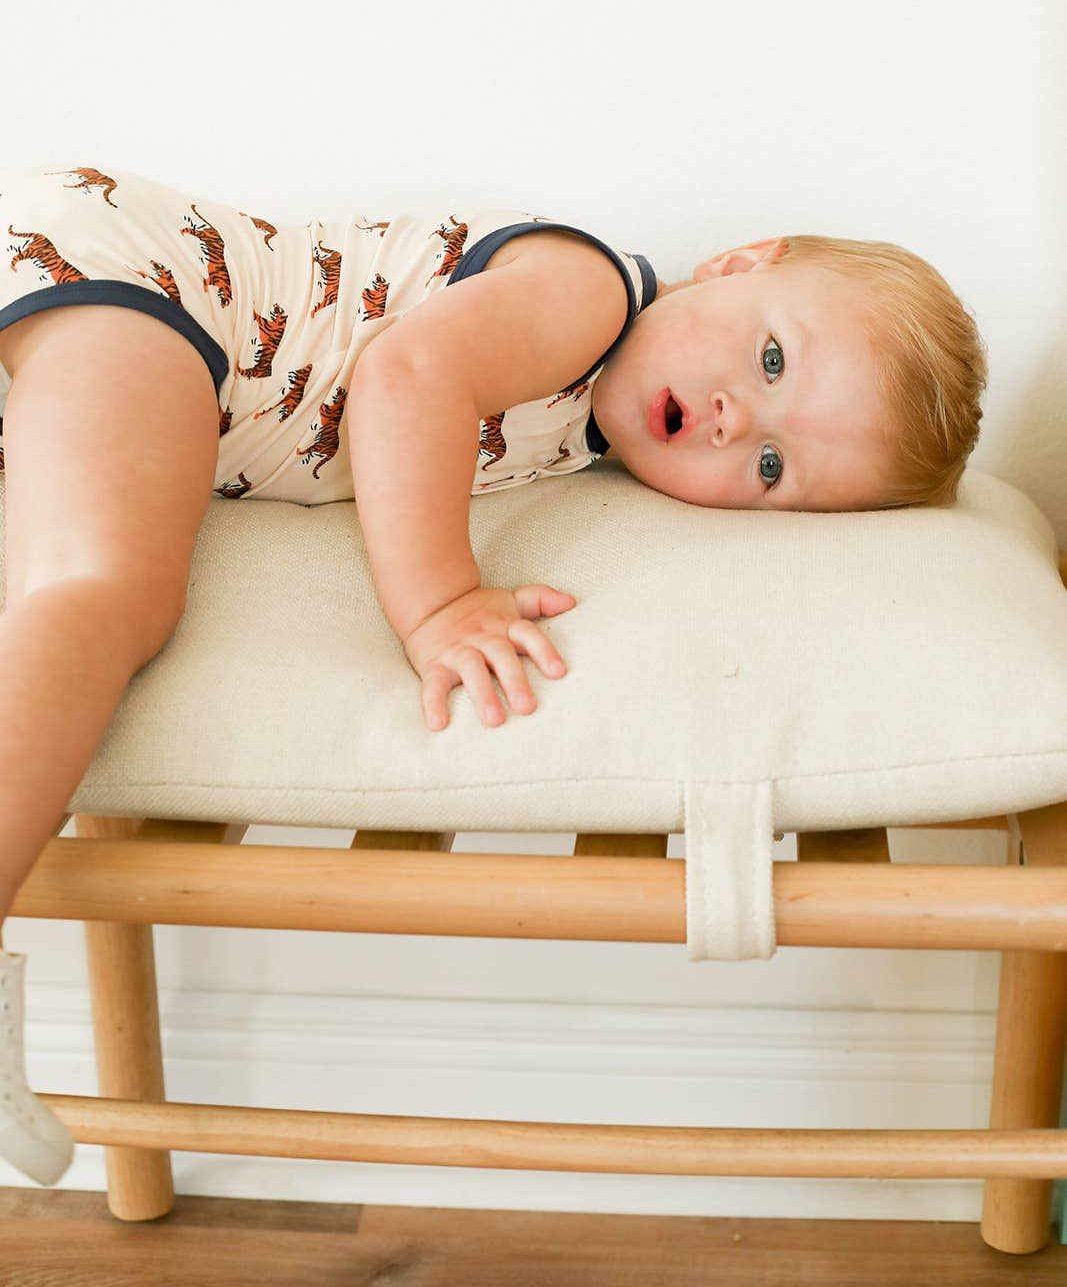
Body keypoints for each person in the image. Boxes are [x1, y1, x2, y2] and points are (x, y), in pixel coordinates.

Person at [0, 163, 988, 1186]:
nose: (736, 416)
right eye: (770, 357)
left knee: (81, 565)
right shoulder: (587, 293)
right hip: (157, 294)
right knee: (102, 591)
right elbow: (405, 375)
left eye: (772, 467)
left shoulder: (585, 439)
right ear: (734, 266)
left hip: (148, 345)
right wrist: (438, 602)